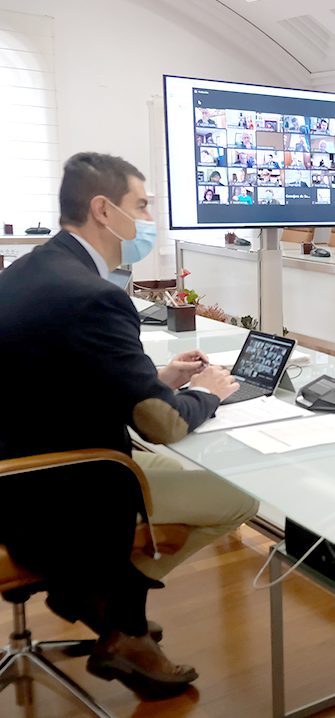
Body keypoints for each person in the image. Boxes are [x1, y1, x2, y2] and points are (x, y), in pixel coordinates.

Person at [0, 152, 257, 698]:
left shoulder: (31, 268)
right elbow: (161, 423)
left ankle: (89, 596)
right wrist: (206, 396)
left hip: (20, 462)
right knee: (237, 500)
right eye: (141, 205)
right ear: (103, 209)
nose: (147, 219)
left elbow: (55, 368)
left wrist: (158, 374)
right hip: (62, 485)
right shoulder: (94, 296)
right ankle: (119, 619)